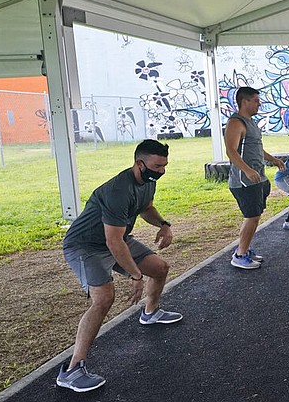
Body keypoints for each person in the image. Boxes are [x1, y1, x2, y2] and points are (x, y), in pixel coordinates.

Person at [58, 139, 182, 392]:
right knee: (103, 299)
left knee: (160, 268)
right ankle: (72, 370)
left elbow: (145, 208)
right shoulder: (118, 189)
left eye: (164, 165)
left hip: (115, 239)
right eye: (157, 166)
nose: (162, 171)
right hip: (86, 246)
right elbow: (113, 242)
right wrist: (136, 276)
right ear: (140, 163)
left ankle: (150, 313)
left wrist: (164, 224)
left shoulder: (147, 183)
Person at [225, 86, 286, 269]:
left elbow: (256, 147)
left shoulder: (250, 122)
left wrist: (273, 159)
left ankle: (245, 248)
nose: (260, 104)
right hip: (244, 181)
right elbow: (231, 151)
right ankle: (240, 255)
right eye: (256, 100)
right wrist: (246, 170)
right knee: (251, 217)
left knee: (255, 216)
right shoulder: (236, 123)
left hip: (257, 178)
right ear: (245, 101)